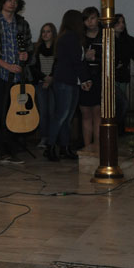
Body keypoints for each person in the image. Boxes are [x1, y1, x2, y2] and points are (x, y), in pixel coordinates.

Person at [0, 0, 33, 165]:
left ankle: (7, 152)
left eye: (16, 1)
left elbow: (29, 47)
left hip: (17, 78)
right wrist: (5, 65)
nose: (12, 3)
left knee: (12, 116)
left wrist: (26, 55)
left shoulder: (22, 24)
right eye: (9, 0)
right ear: (2, 2)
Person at [46, 10, 92, 161]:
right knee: (61, 116)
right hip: (65, 82)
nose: (84, 23)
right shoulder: (70, 37)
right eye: (81, 20)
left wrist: (84, 79)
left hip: (71, 82)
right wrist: (85, 80)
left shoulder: (70, 37)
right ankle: (50, 147)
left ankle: (64, 148)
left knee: (67, 118)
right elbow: (76, 61)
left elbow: (79, 61)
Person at [29, 23, 57, 148]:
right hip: (40, 84)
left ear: (53, 33)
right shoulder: (37, 49)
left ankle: (53, 138)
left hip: (54, 83)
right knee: (43, 111)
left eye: (48, 31)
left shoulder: (57, 49)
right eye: (43, 31)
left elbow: (59, 65)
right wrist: (44, 78)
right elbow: (33, 68)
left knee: (53, 111)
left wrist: (50, 78)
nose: (45, 34)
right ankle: (43, 138)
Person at [80, 6, 102, 149]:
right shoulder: (81, 37)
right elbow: (75, 60)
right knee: (86, 114)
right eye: (87, 19)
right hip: (84, 78)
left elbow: (113, 58)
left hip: (100, 78)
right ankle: (87, 147)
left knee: (98, 113)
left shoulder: (105, 35)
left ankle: (98, 147)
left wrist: (96, 57)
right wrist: (85, 57)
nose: (90, 22)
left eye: (93, 18)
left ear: (98, 18)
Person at [114, 14, 134, 131]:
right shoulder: (105, 39)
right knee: (122, 103)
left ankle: (118, 130)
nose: (121, 25)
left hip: (122, 77)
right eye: (118, 22)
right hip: (109, 78)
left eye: (123, 22)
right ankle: (115, 130)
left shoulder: (129, 41)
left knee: (120, 105)